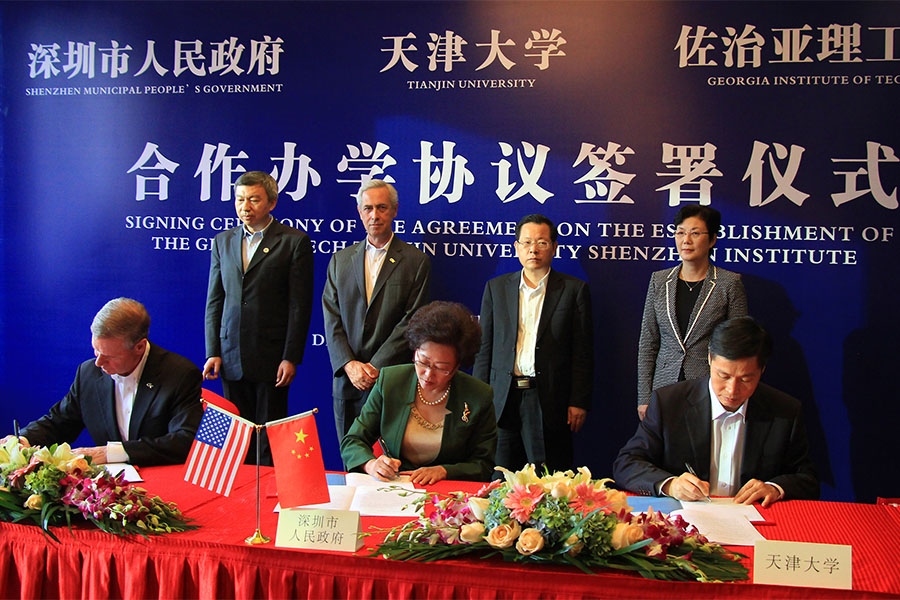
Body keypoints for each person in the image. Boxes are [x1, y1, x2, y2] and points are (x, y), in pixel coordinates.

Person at [614, 316, 819, 506]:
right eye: (723, 375)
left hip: (753, 520)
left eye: (746, 379)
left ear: (762, 370)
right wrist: (671, 485)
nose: (732, 390)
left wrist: (774, 488)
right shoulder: (670, 403)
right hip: (687, 522)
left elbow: (807, 479)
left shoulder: (784, 410)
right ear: (710, 359)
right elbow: (627, 464)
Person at [202, 170, 314, 465]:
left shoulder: (293, 242)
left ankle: (264, 496)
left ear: (272, 202)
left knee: (268, 434)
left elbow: (299, 306)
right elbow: (215, 300)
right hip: (230, 354)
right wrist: (213, 350)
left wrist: (291, 356)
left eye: (253, 199)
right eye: (239, 200)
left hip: (272, 356)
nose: (245, 207)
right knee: (236, 435)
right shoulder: (223, 241)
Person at [473, 214, 593, 475]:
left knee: (549, 476)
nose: (533, 249)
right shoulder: (496, 288)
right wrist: (481, 397)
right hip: (504, 396)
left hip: (549, 397)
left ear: (554, 247)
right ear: (516, 247)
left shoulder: (573, 290)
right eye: (526, 242)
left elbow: (582, 352)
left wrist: (578, 401)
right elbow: (485, 348)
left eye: (541, 242)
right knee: (501, 474)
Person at [16, 298, 202, 466]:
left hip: (161, 482)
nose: (98, 363)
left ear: (139, 347)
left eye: (109, 356)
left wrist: (111, 453)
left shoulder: (179, 375)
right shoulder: (88, 373)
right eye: (96, 352)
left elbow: (184, 441)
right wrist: (23, 440)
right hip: (110, 489)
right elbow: (59, 421)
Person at [340, 301, 496, 485]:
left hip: (448, 493)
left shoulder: (478, 395)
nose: (429, 374)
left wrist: (445, 471)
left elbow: (483, 464)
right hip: (396, 486)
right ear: (414, 352)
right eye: (423, 362)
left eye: (441, 368)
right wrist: (371, 464)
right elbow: (353, 440)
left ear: (457, 366)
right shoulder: (391, 381)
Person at [323, 179, 431, 439]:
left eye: (381, 208)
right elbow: (331, 316)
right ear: (360, 212)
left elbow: (412, 320)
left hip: (391, 378)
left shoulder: (415, 261)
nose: (374, 215)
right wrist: (349, 365)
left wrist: (374, 367)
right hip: (348, 381)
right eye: (368, 208)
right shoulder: (340, 261)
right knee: (350, 460)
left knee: (389, 463)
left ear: (394, 210)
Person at [637, 205, 747, 420]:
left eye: (695, 233)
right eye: (680, 232)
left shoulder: (729, 283)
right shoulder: (659, 281)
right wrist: (644, 397)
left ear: (712, 239)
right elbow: (648, 342)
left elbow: (738, 345)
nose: (686, 240)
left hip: (709, 386)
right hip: (664, 387)